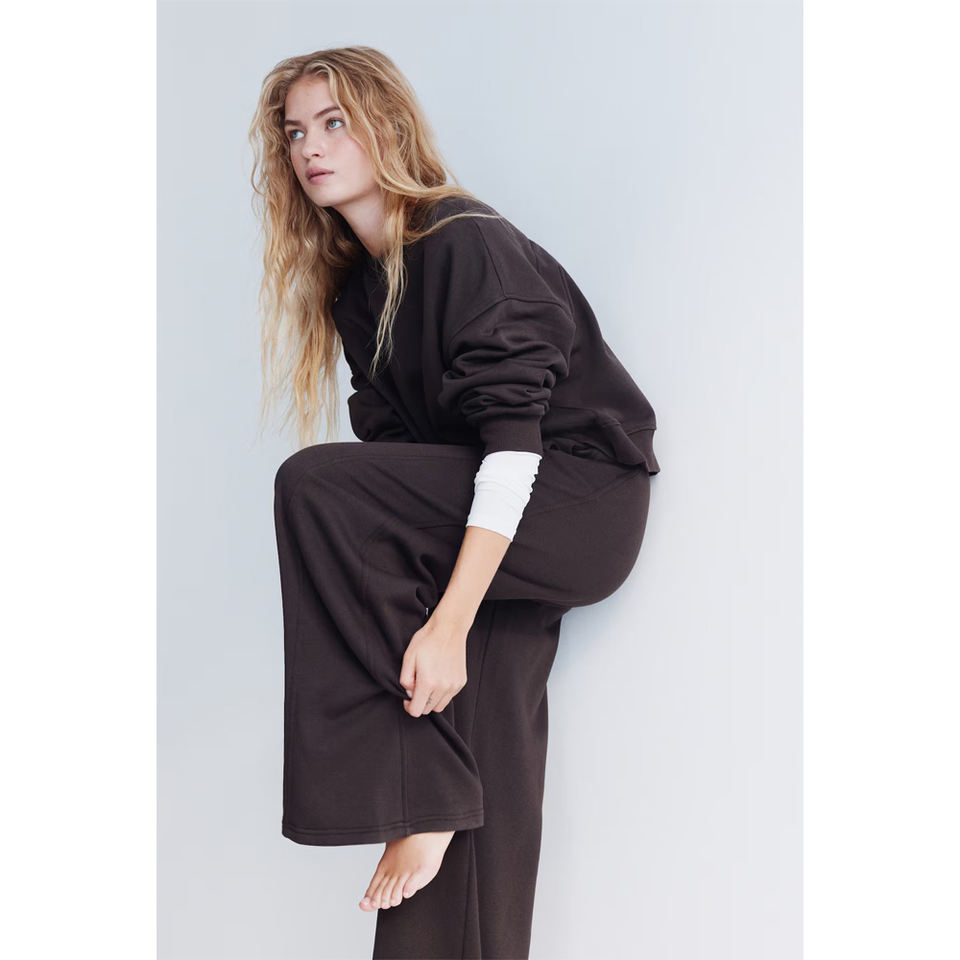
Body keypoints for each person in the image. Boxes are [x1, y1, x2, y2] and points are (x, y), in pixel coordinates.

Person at [249, 45, 661, 959]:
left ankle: (424, 788)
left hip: (575, 497)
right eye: (295, 132)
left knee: (315, 488)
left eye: (334, 122)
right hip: (492, 509)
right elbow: (408, 475)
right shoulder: (362, 294)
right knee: (488, 744)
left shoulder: (462, 240)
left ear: (387, 127)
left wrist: (447, 621)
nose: (310, 147)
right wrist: (446, 634)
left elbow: (511, 447)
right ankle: (438, 803)